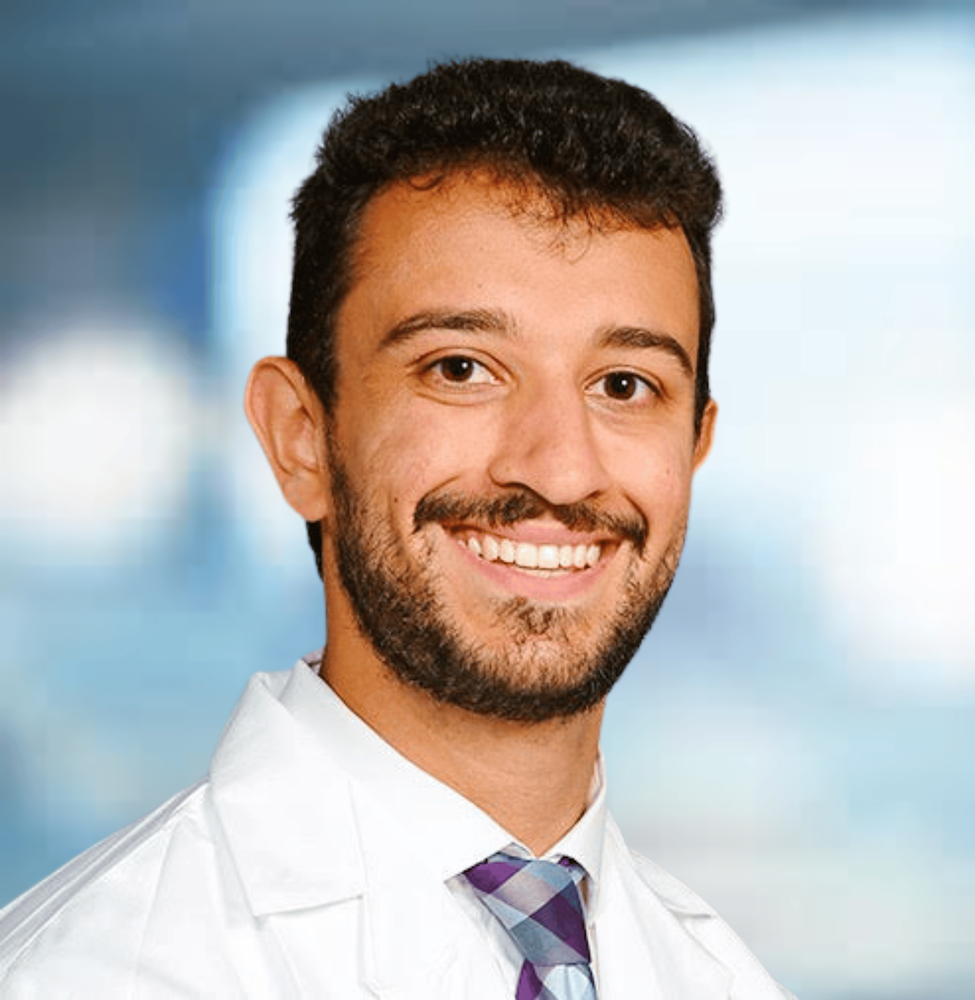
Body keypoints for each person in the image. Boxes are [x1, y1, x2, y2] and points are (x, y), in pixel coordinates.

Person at [0, 58, 795, 998]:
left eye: (624, 385)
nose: (559, 470)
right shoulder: (94, 972)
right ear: (301, 438)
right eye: (462, 368)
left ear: (695, 447)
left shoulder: (723, 980)